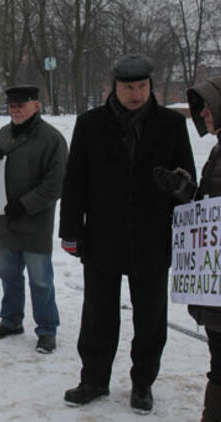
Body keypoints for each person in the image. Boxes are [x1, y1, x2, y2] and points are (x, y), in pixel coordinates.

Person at [59, 53, 196, 414]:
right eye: (128, 87)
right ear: (113, 87)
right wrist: (71, 230)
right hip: (103, 237)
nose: (136, 94)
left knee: (150, 318)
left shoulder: (171, 125)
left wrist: (179, 185)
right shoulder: (89, 124)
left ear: (150, 85)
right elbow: (75, 181)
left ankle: (143, 384)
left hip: (153, 239)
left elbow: (189, 187)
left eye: (141, 86)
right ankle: (93, 379)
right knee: (98, 315)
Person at [152, 76, 221, 421]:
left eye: (208, 105)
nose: (203, 113)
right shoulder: (217, 151)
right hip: (215, 286)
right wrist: (184, 190)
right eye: (201, 107)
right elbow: (211, 207)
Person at [0, 85, 67, 354]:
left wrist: (26, 204)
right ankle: (10, 320)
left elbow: (56, 185)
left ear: (36, 106)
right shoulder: (3, 134)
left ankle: (47, 329)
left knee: (40, 279)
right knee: (7, 274)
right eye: (11, 105)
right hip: (5, 220)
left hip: (35, 223)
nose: (15, 110)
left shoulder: (52, 139)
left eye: (21, 105)